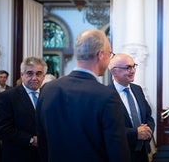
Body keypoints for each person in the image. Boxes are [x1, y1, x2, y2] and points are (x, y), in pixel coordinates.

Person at [36, 29, 131, 162]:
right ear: (100, 55)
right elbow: (118, 153)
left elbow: (43, 143)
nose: (110, 58)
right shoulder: (107, 96)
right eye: (110, 54)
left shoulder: (47, 90)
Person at [0, 56, 47, 162]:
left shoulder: (48, 95)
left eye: (38, 74)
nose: (34, 78)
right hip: (18, 156)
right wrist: (31, 140)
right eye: (29, 73)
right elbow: (3, 129)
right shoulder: (8, 96)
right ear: (22, 75)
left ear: (43, 76)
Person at [108, 53, 155, 162]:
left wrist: (147, 132)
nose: (133, 71)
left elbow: (148, 116)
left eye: (134, 66)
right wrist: (135, 134)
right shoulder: (106, 94)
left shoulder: (137, 90)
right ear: (114, 71)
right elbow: (108, 129)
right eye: (128, 67)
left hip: (143, 152)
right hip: (121, 154)